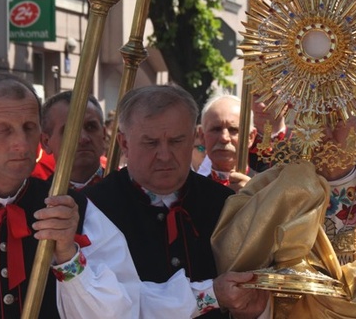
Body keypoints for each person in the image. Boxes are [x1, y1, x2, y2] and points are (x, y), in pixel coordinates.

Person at [211, 114, 356, 317]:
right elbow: (235, 261)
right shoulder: (268, 186)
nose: (324, 131)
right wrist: (292, 189)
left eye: (336, 120)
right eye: (312, 119)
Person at [83, 85, 267, 318]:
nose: (165, 155)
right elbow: (109, 305)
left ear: (193, 138)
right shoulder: (95, 208)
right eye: (151, 143)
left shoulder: (225, 205)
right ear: (124, 143)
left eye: (176, 141)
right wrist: (212, 293)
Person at [0, 73, 142, 318]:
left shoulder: (73, 208)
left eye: (29, 128)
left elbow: (120, 311)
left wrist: (67, 254)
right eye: (3, 130)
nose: (21, 143)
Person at [40, 91, 106, 189]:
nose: (83, 139)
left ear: (104, 134)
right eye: (69, 131)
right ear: (46, 142)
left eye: (91, 127)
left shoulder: (130, 192)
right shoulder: (36, 201)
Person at [198, 94, 256, 192]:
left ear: (250, 137)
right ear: (202, 136)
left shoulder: (266, 189)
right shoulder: (191, 192)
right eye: (216, 129)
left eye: (233, 130)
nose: (224, 138)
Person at [248, 93, 289, 173]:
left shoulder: (300, 144)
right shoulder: (234, 138)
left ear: (288, 101)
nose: (261, 105)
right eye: (256, 95)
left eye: (272, 96)